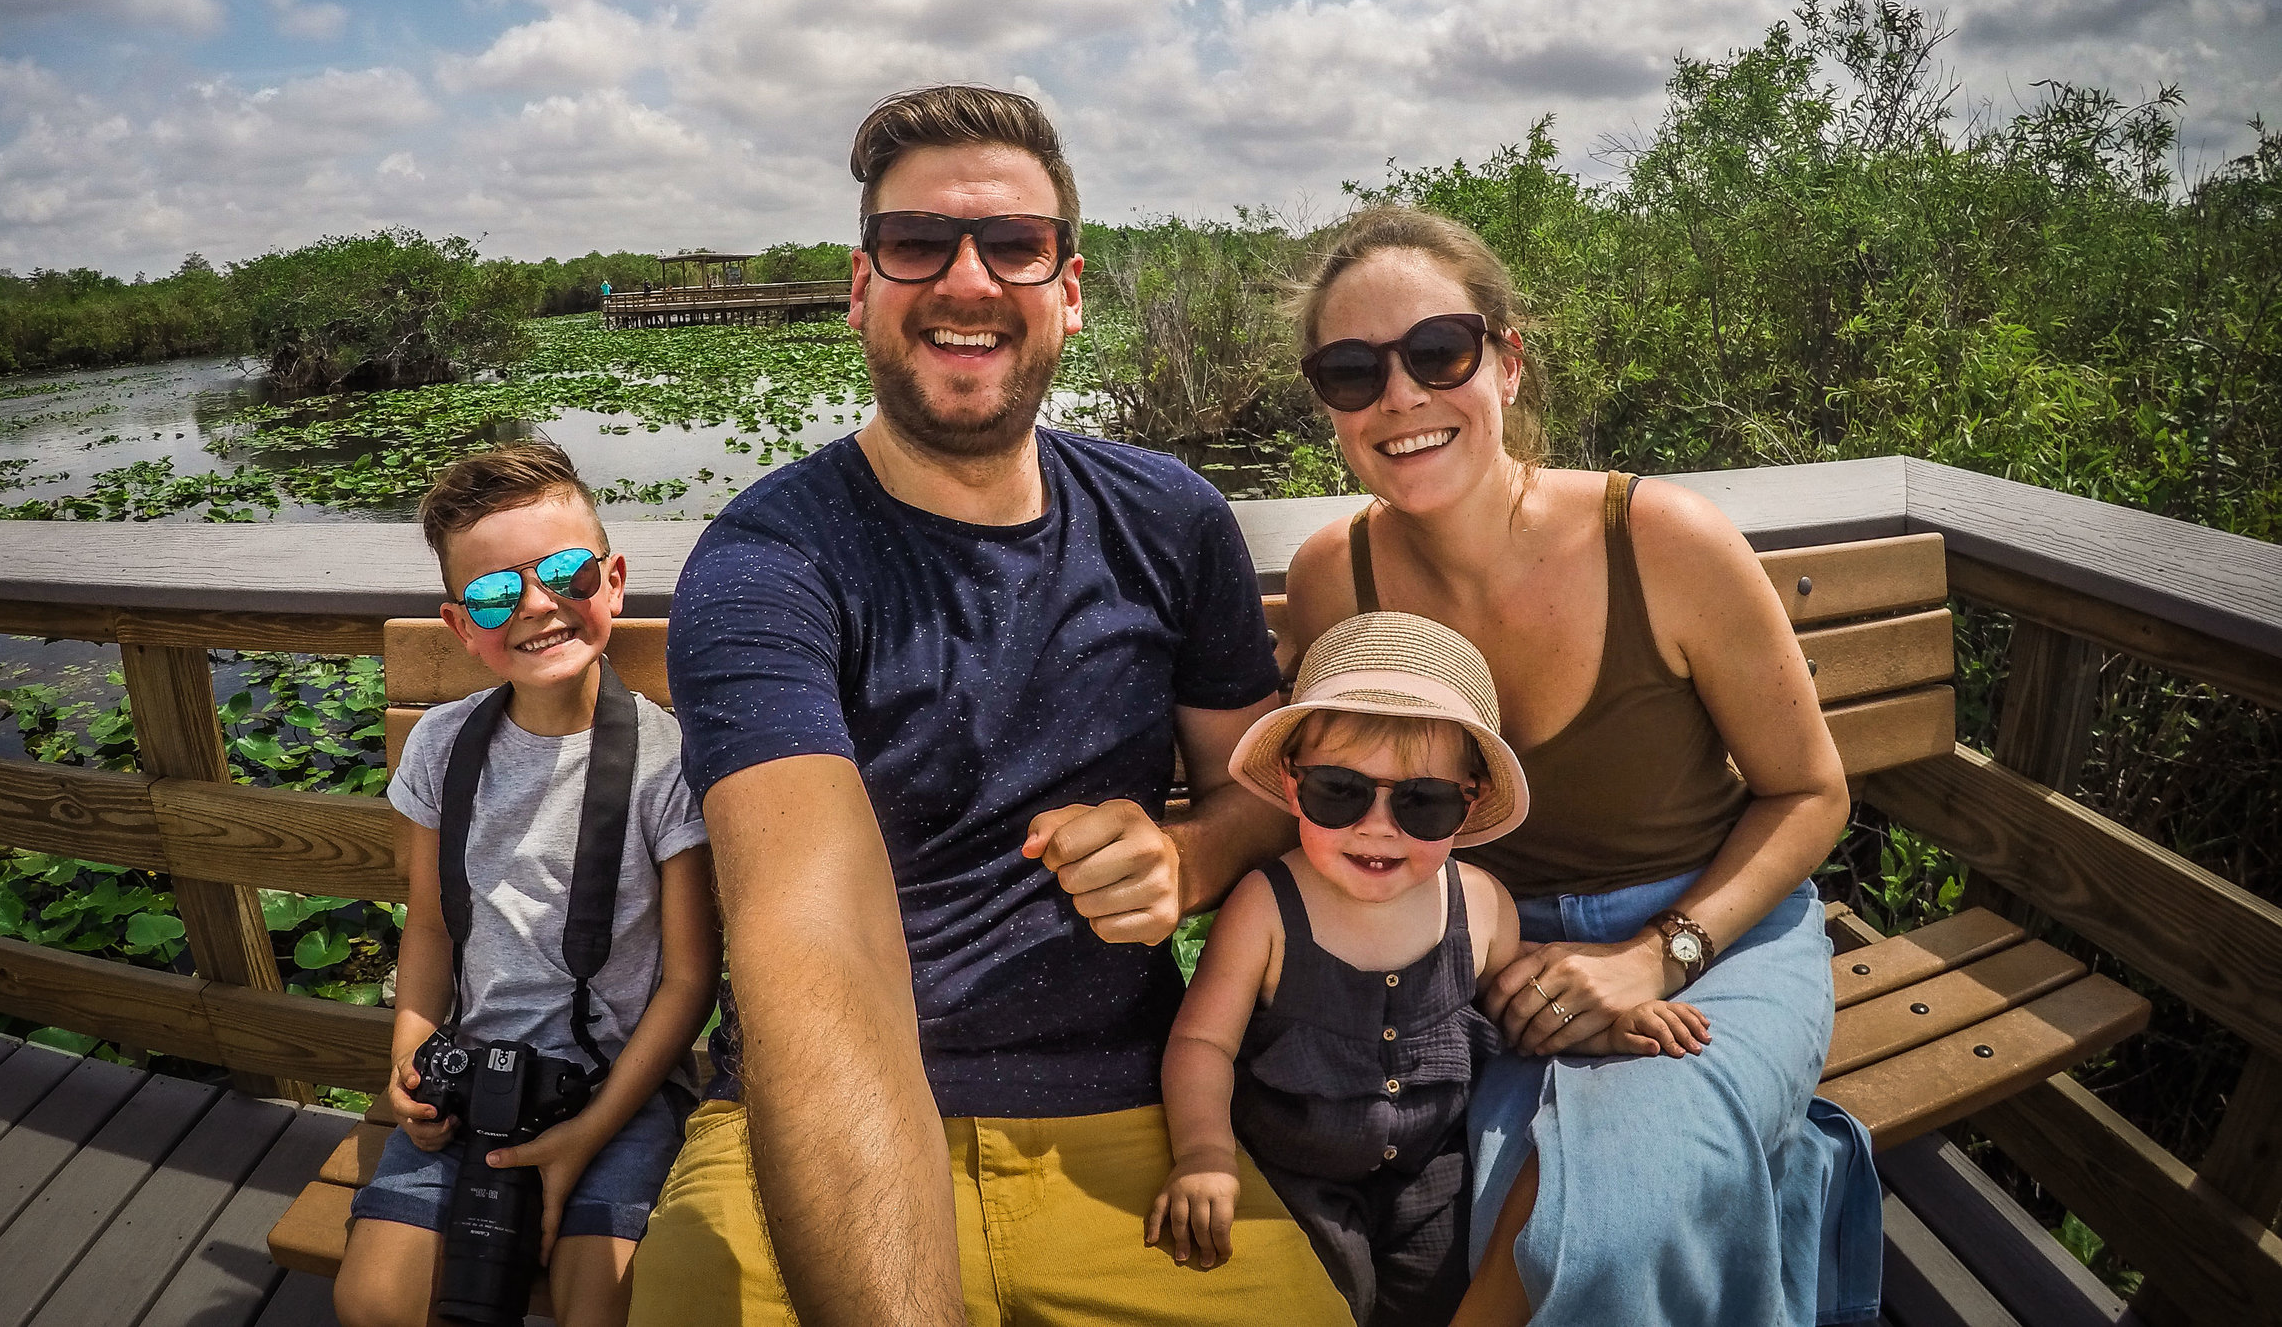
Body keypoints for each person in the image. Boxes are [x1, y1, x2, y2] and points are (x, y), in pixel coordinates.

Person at [629, 86, 1352, 1327]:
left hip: (1129, 1121)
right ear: (861, 288)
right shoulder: (767, 564)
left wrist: (1186, 851)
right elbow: (812, 941)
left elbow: (1260, 795)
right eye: (918, 243)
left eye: (1013, 245)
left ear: (1067, 292)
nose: (967, 279)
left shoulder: (1170, 520)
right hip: (799, 1116)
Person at [1278, 207, 1881, 1327]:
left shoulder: (1662, 541)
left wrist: (1660, 956)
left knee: (1604, 1220)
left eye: (1438, 352)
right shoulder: (1333, 581)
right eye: (1351, 371)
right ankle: (1783, 1171)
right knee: (1519, 1206)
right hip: (1484, 964)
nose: (1399, 397)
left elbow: (1811, 793)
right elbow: (1320, 803)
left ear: (1505, 361)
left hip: (1715, 934)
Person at [1148, 611, 1709, 1327]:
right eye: (1340, 791)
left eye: (1422, 801)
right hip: (1295, 1172)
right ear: (1292, 785)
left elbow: (1520, 1003)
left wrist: (1608, 1024)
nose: (1377, 825)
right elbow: (1202, 1043)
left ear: (1467, 802)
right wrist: (1203, 1153)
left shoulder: (1479, 905)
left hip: (1430, 1176)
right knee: (1318, 1300)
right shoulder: (1266, 908)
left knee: (1444, 1300)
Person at [335, 441, 720, 1327]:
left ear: (612, 580)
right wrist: (408, 1059)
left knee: (603, 1307)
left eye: (565, 574)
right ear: (463, 624)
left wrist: (589, 1130)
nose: (540, 606)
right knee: (373, 1304)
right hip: (469, 1078)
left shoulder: (666, 764)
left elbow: (691, 978)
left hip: (619, 1088)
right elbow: (429, 928)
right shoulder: (441, 745)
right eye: (497, 593)